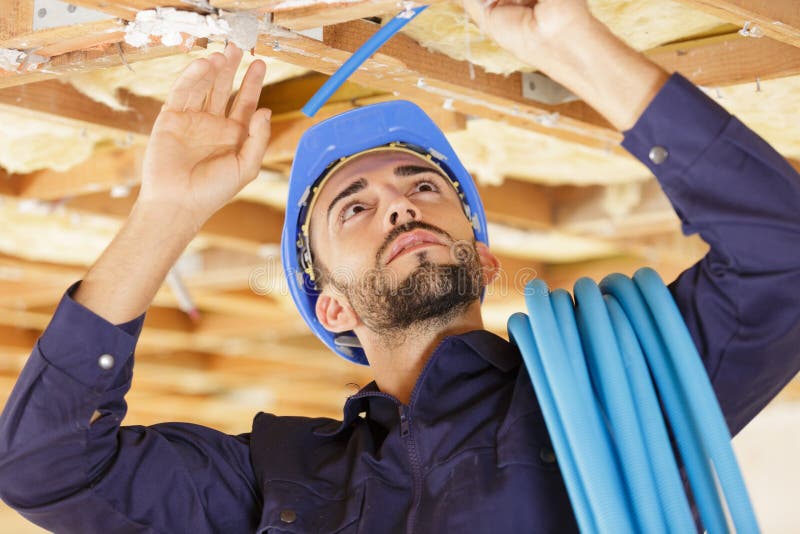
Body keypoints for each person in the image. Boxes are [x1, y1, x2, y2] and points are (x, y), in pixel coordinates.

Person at [1, 0, 799, 532]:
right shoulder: (278, 480)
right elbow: (46, 468)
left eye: (423, 186)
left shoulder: (618, 394)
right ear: (333, 308)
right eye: (355, 205)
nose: (400, 204)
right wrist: (166, 212)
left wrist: (569, 46)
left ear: (482, 259)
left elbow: (783, 257)